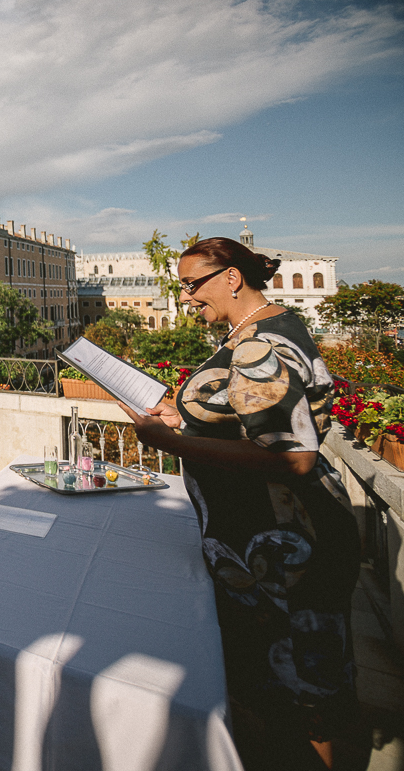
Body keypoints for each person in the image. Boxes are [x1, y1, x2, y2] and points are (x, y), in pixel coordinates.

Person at [118, 238, 363, 771]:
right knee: (297, 681)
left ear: (231, 278)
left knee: (302, 694)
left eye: (192, 285)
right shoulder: (263, 328)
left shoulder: (260, 346)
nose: (185, 298)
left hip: (285, 547)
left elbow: (293, 455)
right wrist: (188, 416)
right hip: (274, 542)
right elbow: (247, 413)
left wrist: (172, 443)